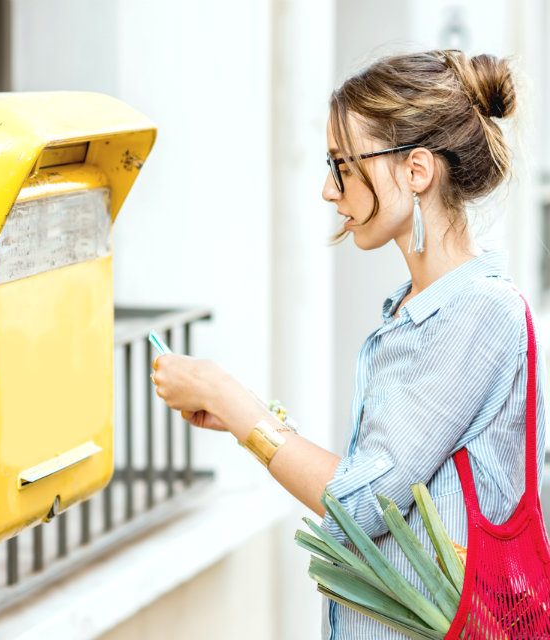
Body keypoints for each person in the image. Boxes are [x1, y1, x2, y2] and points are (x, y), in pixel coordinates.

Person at [149, 48, 547, 639]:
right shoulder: (417, 308)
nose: (330, 191)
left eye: (342, 164)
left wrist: (234, 403)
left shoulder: (473, 313)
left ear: (416, 170)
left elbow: (363, 505)